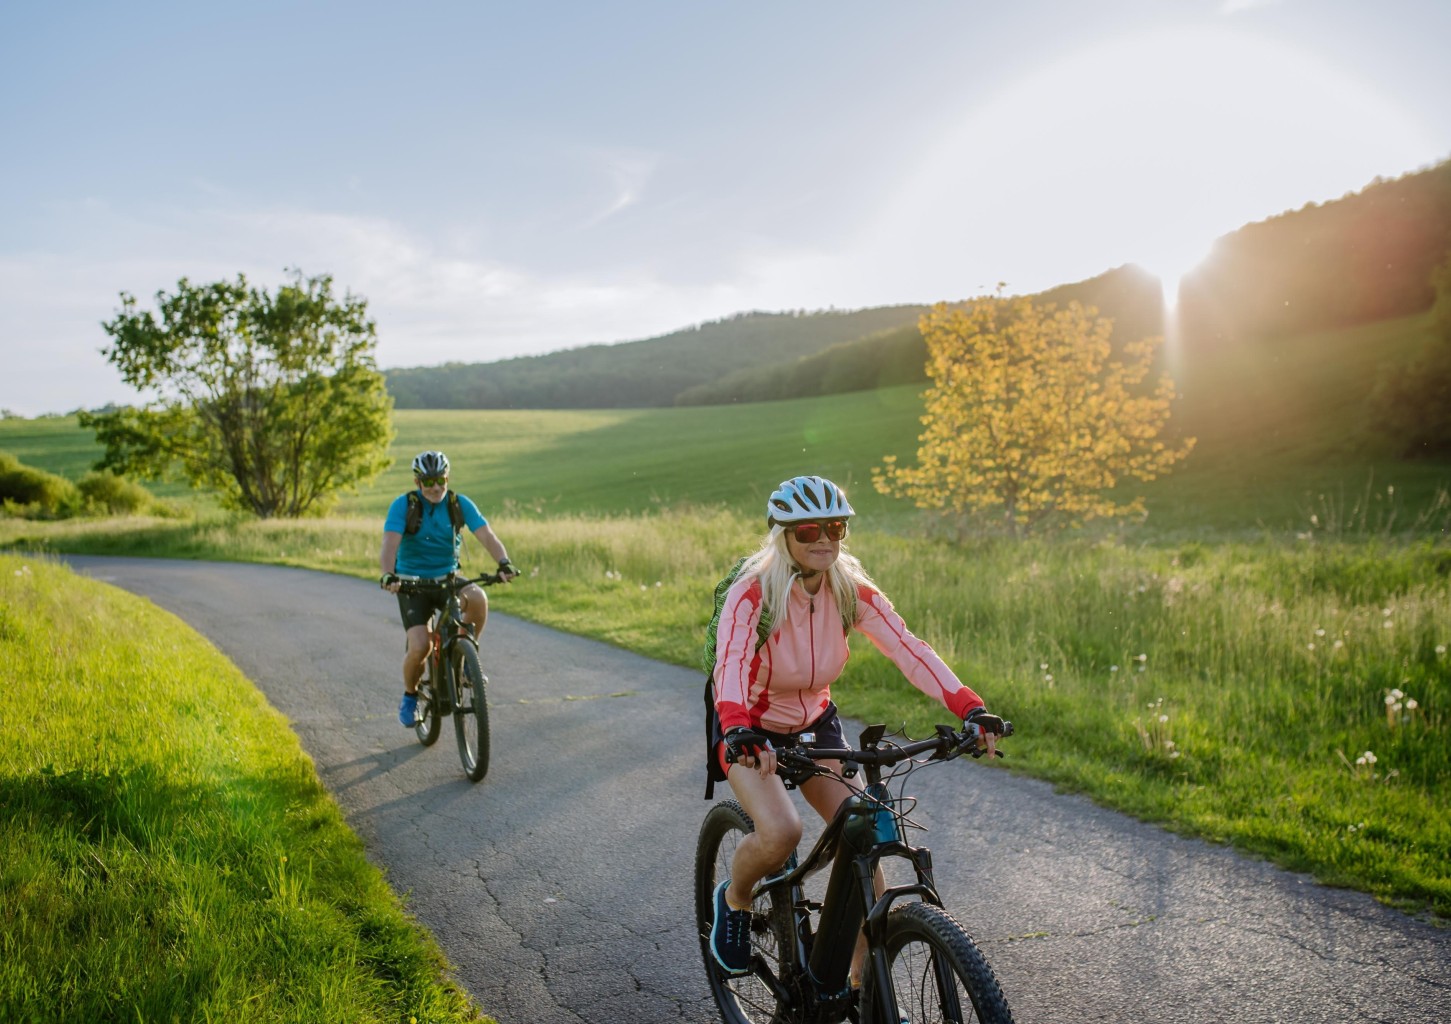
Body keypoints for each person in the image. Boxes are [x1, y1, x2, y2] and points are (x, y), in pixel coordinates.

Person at [706, 474, 1004, 979]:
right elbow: (729, 662)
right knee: (781, 831)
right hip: (750, 726)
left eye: (836, 528)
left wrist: (969, 707)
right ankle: (734, 900)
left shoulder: (850, 591)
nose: (824, 539)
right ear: (783, 536)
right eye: (809, 531)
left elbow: (908, 648)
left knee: (863, 836)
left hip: (814, 723)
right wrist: (736, 726)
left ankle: (867, 994)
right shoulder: (752, 594)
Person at [379, 450, 518, 727]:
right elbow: (390, 544)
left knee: (478, 598)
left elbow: (486, 535)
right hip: (411, 583)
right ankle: (409, 696)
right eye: (428, 481)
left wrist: (503, 562)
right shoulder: (403, 505)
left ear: (447, 477)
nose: (435, 487)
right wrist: (388, 574)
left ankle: (467, 659)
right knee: (420, 646)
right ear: (418, 482)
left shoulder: (458, 503)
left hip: (448, 578)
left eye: (440, 479)